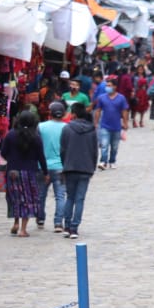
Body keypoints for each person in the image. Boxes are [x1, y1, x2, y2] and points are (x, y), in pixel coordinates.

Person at [0, 110, 48, 237]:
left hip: (13, 171)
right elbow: (41, 157)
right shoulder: (36, 137)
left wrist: (12, 158)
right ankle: (23, 229)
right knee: (28, 199)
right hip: (29, 172)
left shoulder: (10, 135)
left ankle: (15, 223)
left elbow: (3, 152)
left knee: (15, 198)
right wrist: (46, 172)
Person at [59, 103, 98, 240]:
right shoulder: (92, 130)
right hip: (86, 168)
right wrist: (92, 167)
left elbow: (62, 150)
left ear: (74, 114)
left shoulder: (67, 129)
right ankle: (75, 228)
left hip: (70, 167)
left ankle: (67, 226)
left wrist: (65, 165)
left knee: (70, 197)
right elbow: (94, 151)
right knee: (80, 199)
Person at [36, 102, 67, 232]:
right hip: (60, 166)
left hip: (43, 166)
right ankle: (58, 223)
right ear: (63, 114)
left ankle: (40, 218)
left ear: (50, 113)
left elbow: (36, 145)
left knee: (41, 194)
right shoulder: (67, 127)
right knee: (60, 196)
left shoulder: (41, 126)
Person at [92, 79, 130, 169]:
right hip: (105, 125)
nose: (107, 87)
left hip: (116, 126)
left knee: (114, 146)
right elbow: (98, 110)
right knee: (104, 145)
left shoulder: (121, 98)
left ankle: (112, 161)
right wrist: (96, 122)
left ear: (115, 87)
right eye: (107, 85)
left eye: (109, 85)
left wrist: (125, 122)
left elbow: (124, 111)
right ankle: (103, 161)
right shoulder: (102, 98)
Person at [129, 63, 149, 128]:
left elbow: (147, 85)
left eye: (141, 69)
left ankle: (141, 120)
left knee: (143, 108)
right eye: (139, 69)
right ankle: (134, 120)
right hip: (137, 92)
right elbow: (132, 85)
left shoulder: (145, 76)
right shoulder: (134, 77)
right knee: (135, 108)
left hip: (144, 93)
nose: (140, 70)